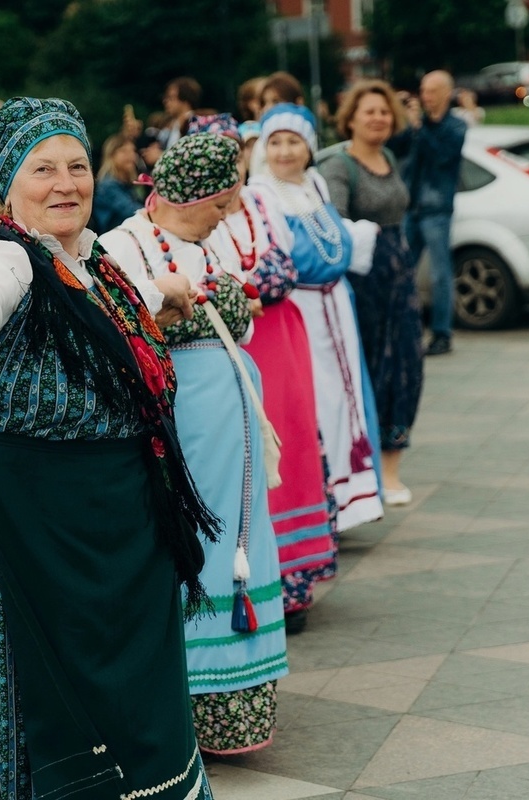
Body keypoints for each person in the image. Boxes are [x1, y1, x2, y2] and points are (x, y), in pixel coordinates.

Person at [0, 96, 215, 800]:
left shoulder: (95, 264)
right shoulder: (3, 257)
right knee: (57, 700)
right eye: (43, 169)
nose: (66, 183)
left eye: (78, 165)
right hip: (36, 528)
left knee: (142, 701)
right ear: (8, 184)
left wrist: (166, 289)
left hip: (117, 521)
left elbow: (95, 310)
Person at [99, 130, 289, 756]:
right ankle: (197, 702)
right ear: (189, 198)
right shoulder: (121, 248)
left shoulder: (196, 243)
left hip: (226, 432)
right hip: (184, 435)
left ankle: (238, 704)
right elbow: (119, 333)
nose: (228, 216)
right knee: (197, 550)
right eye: (220, 205)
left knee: (239, 541)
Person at [202, 115, 337, 634]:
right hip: (234, 341)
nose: (227, 166)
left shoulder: (260, 201)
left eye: (232, 153)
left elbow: (286, 262)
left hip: (281, 333)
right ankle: (257, 583)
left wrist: (258, 287)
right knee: (252, 450)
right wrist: (246, 291)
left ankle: (297, 582)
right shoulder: (190, 218)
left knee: (296, 438)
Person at [251, 103, 384, 532]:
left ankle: (351, 500)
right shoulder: (261, 195)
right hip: (302, 310)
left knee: (348, 399)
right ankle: (323, 505)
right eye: (276, 142)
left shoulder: (316, 185)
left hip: (336, 308)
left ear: (309, 148)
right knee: (316, 401)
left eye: (293, 142)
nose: (285, 152)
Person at [321, 81, 424, 507]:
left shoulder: (389, 157)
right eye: (369, 112)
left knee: (406, 364)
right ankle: (368, 473)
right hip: (363, 283)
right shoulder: (338, 164)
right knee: (372, 367)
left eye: (384, 111)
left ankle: (393, 466)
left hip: (399, 277)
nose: (378, 118)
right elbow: (334, 224)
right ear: (351, 117)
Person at [387, 69, 467, 356]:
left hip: (436, 210)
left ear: (447, 93)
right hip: (411, 208)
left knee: (439, 274)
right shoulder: (415, 126)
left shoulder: (455, 128)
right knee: (402, 271)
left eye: (431, 91)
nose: (425, 97)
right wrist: (399, 119)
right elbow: (392, 148)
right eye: (423, 91)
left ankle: (442, 333)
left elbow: (443, 157)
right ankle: (406, 329)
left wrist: (421, 127)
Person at [91, 133, 143, 234]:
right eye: (124, 151)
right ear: (112, 155)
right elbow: (133, 212)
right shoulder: (108, 185)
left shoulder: (127, 184)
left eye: (133, 150)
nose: (131, 155)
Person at [159, 76, 202, 149]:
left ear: (185, 100)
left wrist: (159, 156)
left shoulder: (195, 125)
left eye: (171, 98)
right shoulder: (175, 124)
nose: (165, 101)